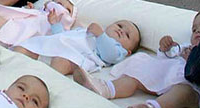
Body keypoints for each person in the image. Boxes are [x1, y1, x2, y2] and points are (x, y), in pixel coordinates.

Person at [75, 11, 200, 108]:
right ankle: (106, 88)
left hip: (191, 86)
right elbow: (165, 59)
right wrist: (166, 48)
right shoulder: (185, 47)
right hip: (166, 79)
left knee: (182, 93)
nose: (197, 31)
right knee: (137, 74)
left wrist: (193, 60)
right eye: (194, 29)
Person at [13, 20, 141, 74]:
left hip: (75, 57)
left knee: (61, 62)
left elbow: (110, 55)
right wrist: (56, 25)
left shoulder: (118, 51)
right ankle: (12, 63)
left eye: (127, 35)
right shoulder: (87, 31)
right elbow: (66, 36)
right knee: (26, 47)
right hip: (57, 46)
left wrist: (101, 35)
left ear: (128, 52)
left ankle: (45, 78)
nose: (121, 31)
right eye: (119, 25)